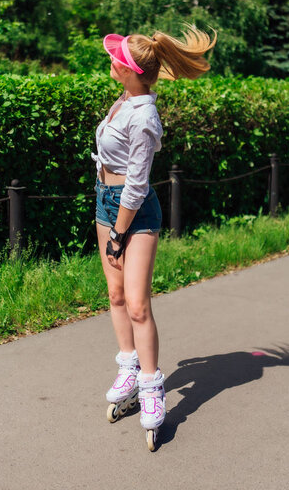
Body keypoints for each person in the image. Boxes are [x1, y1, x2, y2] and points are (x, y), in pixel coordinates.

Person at [91, 25, 217, 448]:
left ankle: (150, 386)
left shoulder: (144, 117)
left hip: (133, 211)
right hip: (106, 203)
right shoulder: (126, 98)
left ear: (129, 71)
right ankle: (128, 366)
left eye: (117, 58)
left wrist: (119, 233)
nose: (111, 60)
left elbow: (138, 185)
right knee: (115, 295)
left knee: (139, 304)